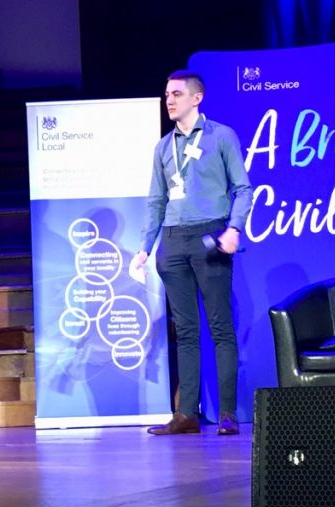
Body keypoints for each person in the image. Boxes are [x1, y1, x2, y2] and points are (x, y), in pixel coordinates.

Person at [130, 70, 253, 436]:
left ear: (197, 98)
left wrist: (234, 229)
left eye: (177, 94)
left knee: (220, 327)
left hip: (209, 235)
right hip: (172, 241)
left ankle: (228, 413)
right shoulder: (163, 147)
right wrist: (144, 247)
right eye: (167, 94)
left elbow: (243, 188)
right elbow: (156, 201)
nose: (169, 100)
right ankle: (186, 414)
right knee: (185, 331)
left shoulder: (221, 136)